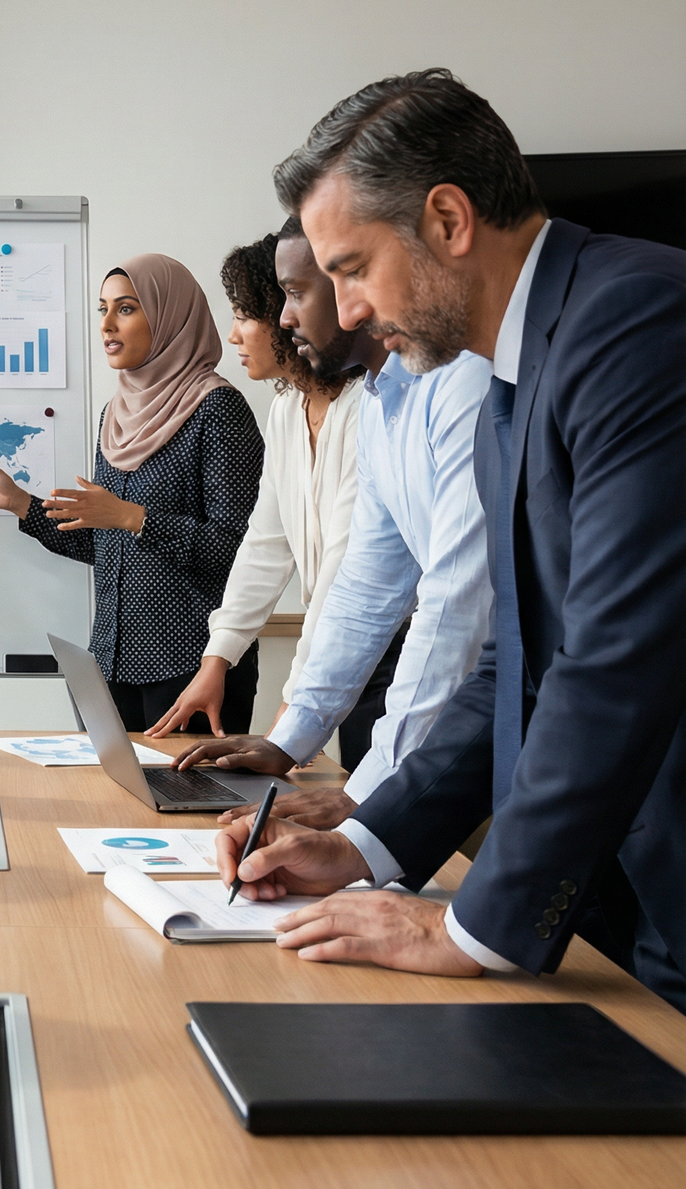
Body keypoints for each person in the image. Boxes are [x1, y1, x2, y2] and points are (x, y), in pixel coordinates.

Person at [218, 68, 686, 1010]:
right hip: (615, 895)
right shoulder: (507, 384)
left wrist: (470, 925)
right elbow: (514, 666)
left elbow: (614, 663)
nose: (343, 311)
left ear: (446, 221)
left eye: (351, 268)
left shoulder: (634, 324)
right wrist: (363, 842)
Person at [171, 217, 494, 827]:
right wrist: (290, 737)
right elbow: (364, 586)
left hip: (470, 675)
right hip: (428, 673)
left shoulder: (459, 384)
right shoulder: (378, 400)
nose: (283, 319)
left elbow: (455, 604)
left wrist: (362, 792)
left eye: (293, 294)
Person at [0, 255, 264, 734]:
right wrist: (19, 503)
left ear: (171, 316)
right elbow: (107, 545)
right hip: (110, 664)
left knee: (186, 809)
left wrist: (136, 518)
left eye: (127, 308)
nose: (107, 325)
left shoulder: (217, 409)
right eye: (102, 309)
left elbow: (240, 550)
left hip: (192, 666)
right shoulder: (114, 416)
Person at [148, 224, 368, 756]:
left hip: (380, 646)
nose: (234, 334)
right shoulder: (286, 410)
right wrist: (216, 660)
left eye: (246, 314)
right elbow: (264, 545)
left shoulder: (368, 405)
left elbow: (344, 575)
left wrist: (291, 713)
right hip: (335, 651)